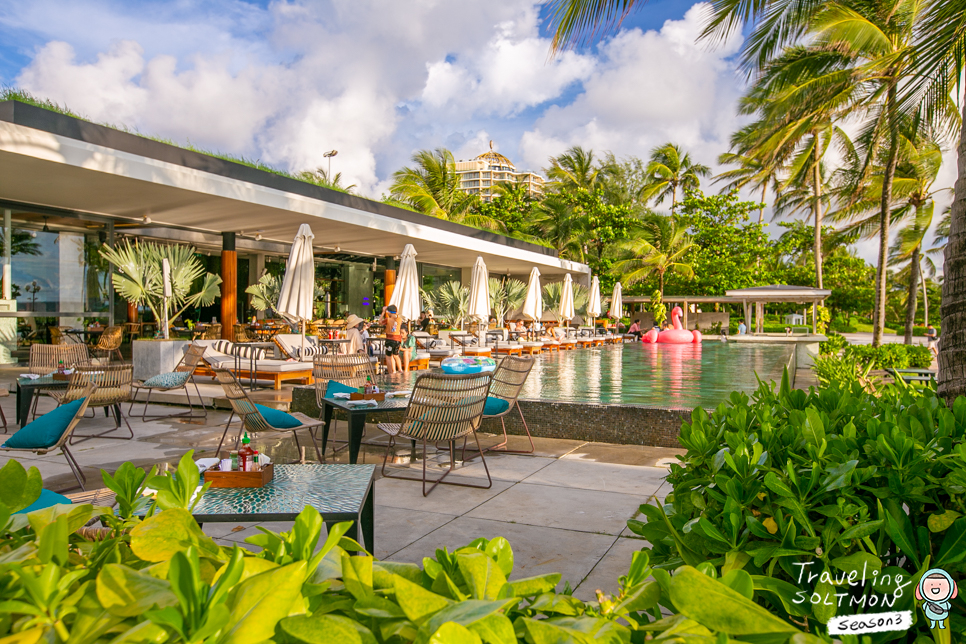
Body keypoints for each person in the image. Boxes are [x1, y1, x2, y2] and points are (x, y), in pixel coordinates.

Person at [381, 305, 403, 374]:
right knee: (396, 355)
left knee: (388, 357)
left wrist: (383, 312)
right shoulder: (399, 319)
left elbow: (380, 322)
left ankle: (390, 373)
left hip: (390, 340)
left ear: (389, 312)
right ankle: (400, 370)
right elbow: (397, 315)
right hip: (397, 340)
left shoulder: (387, 320)